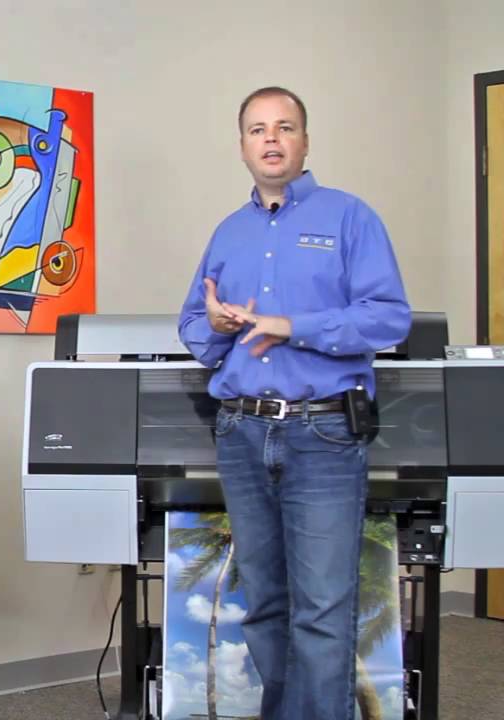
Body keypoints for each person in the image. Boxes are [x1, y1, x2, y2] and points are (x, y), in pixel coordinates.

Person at [177, 86, 412, 719]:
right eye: (258, 130)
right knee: (265, 606)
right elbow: (194, 326)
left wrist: (292, 326)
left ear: (305, 141)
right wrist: (217, 327)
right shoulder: (229, 232)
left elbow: (388, 318)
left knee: (322, 611)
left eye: (284, 127)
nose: (271, 139)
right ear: (243, 147)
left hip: (324, 435)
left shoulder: (350, 217)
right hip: (243, 432)